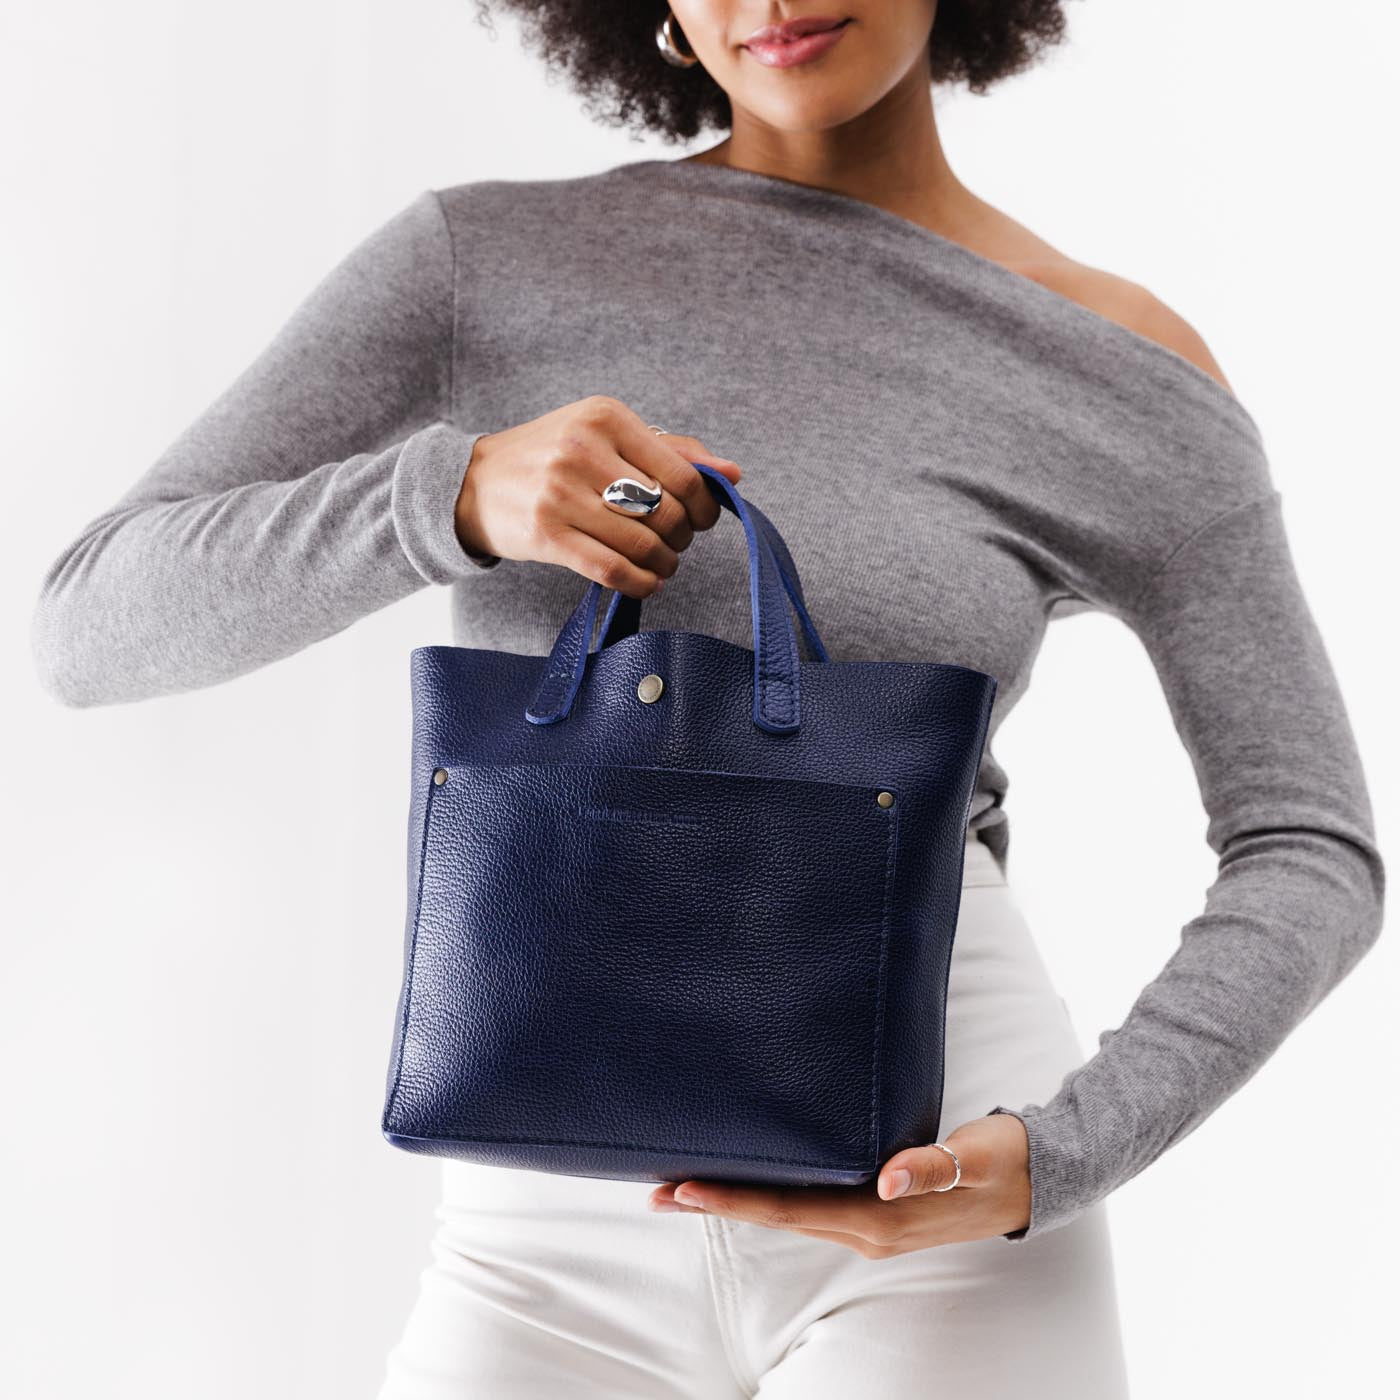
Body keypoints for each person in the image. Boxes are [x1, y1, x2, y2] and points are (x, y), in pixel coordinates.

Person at [30, 3, 1384, 1396]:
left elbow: (1310, 845)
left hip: (931, 1180)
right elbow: (86, 627)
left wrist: (1064, 1151)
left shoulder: (1113, 365)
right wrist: (451, 498)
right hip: (535, 1223)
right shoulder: (478, 263)